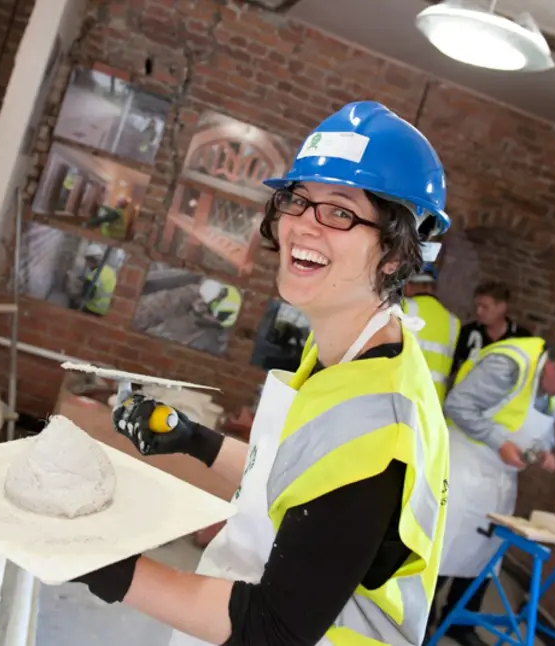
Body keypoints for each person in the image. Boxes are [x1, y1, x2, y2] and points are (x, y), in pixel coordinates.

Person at [70, 101, 453, 646]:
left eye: (340, 211)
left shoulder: (379, 423)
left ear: (395, 253)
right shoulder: (346, 352)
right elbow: (297, 481)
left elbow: (271, 629)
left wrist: (97, 561)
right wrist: (192, 439)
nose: (302, 225)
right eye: (298, 200)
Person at [430, 333, 555, 646]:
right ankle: (420, 622)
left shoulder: (552, 385)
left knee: (482, 553)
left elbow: (542, 427)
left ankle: (457, 621)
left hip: (499, 478)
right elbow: (458, 404)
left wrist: (545, 450)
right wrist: (500, 444)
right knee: (443, 548)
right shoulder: (509, 366)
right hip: (463, 465)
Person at [448, 280, 531, 381]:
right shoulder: (467, 332)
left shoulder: (521, 338)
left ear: (502, 307)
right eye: (477, 306)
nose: (478, 311)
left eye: (485, 307)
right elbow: (451, 366)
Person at [402, 262, 461, 399]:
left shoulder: (403, 307)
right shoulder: (453, 321)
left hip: (404, 392)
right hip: (433, 400)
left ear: (409, 285)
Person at [76, 243, 117, 316]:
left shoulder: (92, 277)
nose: (87, 264)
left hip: (93, 310)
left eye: (87, 261)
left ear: (91, 260)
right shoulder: (110, 271)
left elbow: (86, 296)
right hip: (106, 312)